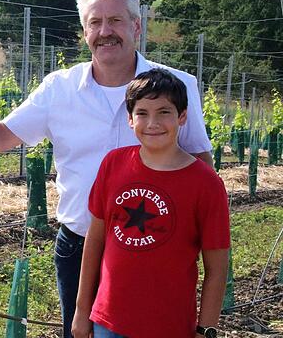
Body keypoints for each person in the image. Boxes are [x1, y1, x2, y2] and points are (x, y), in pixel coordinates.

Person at [0, 0, 213, 337]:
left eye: (116, 21)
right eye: (95, 22)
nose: (105, 31)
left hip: (154, 247)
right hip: (79, 245)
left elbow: (200, 163)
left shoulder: (177, 86)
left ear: (136, 26)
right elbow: (2, 134)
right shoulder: (59, 89)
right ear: (84, 31)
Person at [71, 68, 230, 338]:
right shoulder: (113, 164)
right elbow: (95, 240)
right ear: (130, 120)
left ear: (182, 116)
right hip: (108, 322)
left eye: (164, 112)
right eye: (142, 113)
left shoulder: (206, 183)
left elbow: (217, 268)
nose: (153, 123)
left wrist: (206, 329)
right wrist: (81, 309)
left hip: (170, 325)